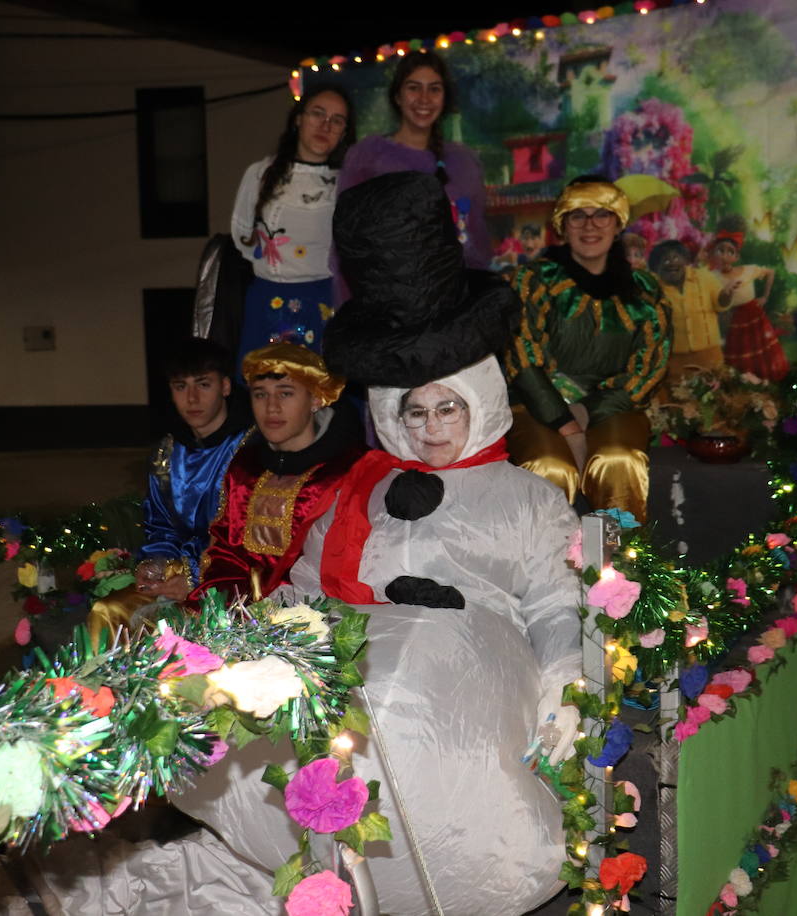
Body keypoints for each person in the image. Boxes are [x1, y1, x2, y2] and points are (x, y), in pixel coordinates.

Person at [165, 172, 582, 915]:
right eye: (411, 410)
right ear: (388, 412)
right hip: (360, 645)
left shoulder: (527, 497)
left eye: (449, 407)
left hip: (470, 659)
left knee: (395, 698)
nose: (430, 426)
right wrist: (252, 648)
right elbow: (303, 583)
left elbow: (553, 601)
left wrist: (562, 686)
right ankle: (332, 863)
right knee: (303, 711)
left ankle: (415, 870)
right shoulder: (361, 485)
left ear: (483, 401)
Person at [504, 175, 671, 523]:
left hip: (613, 406)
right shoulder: (533, 280)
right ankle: (543, 570)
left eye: (602, 215)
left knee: (618, 462)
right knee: (548, 469)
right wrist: (566, 424)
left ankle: (618, 567)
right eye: (578, 215)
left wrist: (587, 410)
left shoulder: (645, 290)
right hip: (537, 405)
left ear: (618, 224)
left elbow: (649, 368)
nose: (590, 225)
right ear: (562, 226)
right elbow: (521, 356)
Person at [86, 339, 250, 643]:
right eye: (180, 386)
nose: (192, 398)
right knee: (107, 612)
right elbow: (161, 527)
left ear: (225, 386)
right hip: (176, 576)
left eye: (203, 384)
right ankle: (106, 691)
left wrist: (193, 578)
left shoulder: (249, 450)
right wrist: (155, 563)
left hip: (230, 586)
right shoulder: (168, 452)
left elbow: (249, 543)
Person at [194, 342, 366, 604]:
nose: (271, 407)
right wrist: (226, 605)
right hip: (238, 607)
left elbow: (345, 566)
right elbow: (227, 552)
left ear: (316, 399)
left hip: (316, 612)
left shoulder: (350, 473)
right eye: (260, 395)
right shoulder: (245, 467)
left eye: (285, 394)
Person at [229, 85, 355, 362]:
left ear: (344, 133)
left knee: (318, 394)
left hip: (323, 302)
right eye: (317, 114)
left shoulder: (346, 183)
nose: (325, 125)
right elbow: (242, 236)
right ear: (298, 118)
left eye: (337, 120)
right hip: (266, 299)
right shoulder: (260, 173)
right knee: (268, 391)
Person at [335, 50, 490, 273]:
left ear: (444, 98)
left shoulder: (464, 162)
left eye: (434, 89)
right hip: (389, 299)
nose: (424, 99)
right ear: (398, 96)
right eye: (413, 87)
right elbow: (346, 243)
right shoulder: (367, 157)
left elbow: (478, 244)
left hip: (455, 297)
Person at [712, 218, 787, 382]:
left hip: (754, 314)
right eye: (721, 251)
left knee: (762, 348)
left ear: (736, 256)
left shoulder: (747, 270)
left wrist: (764, 297)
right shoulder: (713, 277)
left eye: (730, 252)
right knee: (740, 351)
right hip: (733, 318)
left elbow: (770, 273)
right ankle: (744, 384)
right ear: (714, 254)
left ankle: (765, 382)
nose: (725, 256)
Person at [649, 238, 732, 374]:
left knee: (713, 393)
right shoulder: (651, 289)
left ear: (685, 260)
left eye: (675, 258)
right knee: (677, 394)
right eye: (665, 260)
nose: (671, 264)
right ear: (656, 267)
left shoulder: (705, 277)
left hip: (709, 355)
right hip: (673, 360)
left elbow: (720, 304)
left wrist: (726, 296)